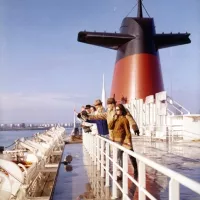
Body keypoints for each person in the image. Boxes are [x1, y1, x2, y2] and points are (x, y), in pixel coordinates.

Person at [108, 104, 138, 179]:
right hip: (116, 140)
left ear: (121, 110)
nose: (117, 111)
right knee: (118, 157)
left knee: (131, 154)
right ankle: (119, 174)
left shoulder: (124, 119)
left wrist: (129, 141)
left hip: (124, 140)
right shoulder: (115, 118)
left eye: (118, 110)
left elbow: (127, 131)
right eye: (116, 110)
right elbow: (110, 127)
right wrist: (114, 119)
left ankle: (136, 169)